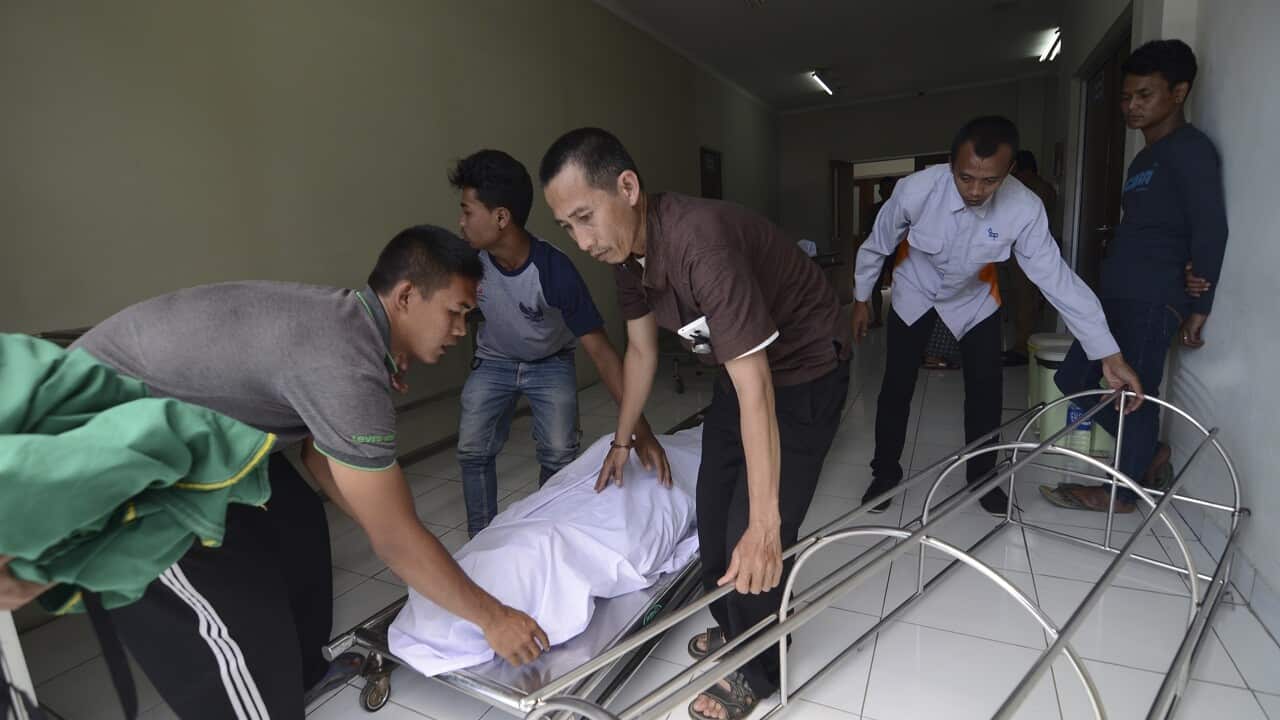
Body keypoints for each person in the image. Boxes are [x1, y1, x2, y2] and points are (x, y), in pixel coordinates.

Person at [0, 227, 549, 718]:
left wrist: (389, 527)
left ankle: (304, 672)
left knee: (295, 518)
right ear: (406, 296)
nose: (461, 329)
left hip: (194, 441)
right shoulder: (347, 366)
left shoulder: (344, 324)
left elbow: (319, 461)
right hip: (126, 466)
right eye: (455, 312)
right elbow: (398, 539)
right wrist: (492, 617)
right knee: (242, 640)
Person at [539, 127, 850, 720]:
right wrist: (623, 439)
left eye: (585, 218)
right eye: (567, 228)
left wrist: (766, 524)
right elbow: (640, 351)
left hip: (803, 368)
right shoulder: (628, 256)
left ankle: (759, 670)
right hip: (741, 370)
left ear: (627, 188)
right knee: (710, 509)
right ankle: (736, 631)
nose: (581, 241)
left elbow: (759, 387)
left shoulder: (699, 246)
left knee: (751, 532)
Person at [852, 115, 1145, 515]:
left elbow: (1056, 278)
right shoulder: (916, 190)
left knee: (986, 392)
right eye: (965, 177)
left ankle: (983, 480)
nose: (975, 190)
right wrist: (861, 298)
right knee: (896, 387)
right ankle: (884, 474)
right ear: (951, 164)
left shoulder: (1023, 208)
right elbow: (876, 244)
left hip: (975, 299)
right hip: (914, 293)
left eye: (989, 181)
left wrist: (1107, 352)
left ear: (1008, 171)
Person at [1044, 39, 1228, 513]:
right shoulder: (1143, 160)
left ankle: (1124, 493)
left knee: (1133, 391)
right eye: (1127, 96)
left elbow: (1210, 225)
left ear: (1179, 92)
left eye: (1145, 95)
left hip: (1155, 296)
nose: (1131, 105)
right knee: (1076, 378)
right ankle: (1148, 456)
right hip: (1118, 293)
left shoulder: (1191, 150)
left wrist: (1199, 306)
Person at [448, 150, 669, 537]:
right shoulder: (467, 262)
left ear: (501, 217)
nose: (461, 222)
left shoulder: (554, 271)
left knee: (558, 453)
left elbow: (602, 355)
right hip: (495, 361)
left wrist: (640, 431)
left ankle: (543, 533)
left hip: (550, 364)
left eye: (468, 211)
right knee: (473, 450)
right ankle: (480, 542)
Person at [1002, 149, 1060, 365]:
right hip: (1019, 251)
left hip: (1027, 253)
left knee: (1025, 301)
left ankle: (1021, 348)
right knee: (1021, 300)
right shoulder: (1041, 188)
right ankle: (1019, 344)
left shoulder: (1033, 189)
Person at [861, 176, 900, 328]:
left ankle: (899, 319)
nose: (887, 192)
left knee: (900, 287)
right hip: (879, 252)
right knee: (875, 286)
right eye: (884, 189)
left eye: (890, 188)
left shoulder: (901, 208)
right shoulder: (874, 209)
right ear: (879, 191)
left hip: (898, 252)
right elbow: (868, 232)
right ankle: (878, 318)